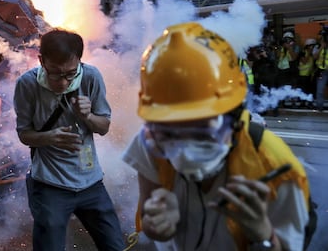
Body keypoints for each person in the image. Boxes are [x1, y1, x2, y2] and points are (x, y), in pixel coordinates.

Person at [122, 22, 311, 251]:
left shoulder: (276, 165)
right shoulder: (149, 143)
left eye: (202, 127)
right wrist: (158, 228)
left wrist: (262, 234)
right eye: (170, 128)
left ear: (234, 113)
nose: (185, 148)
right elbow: (149, 220)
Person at [13, 29, 125, 251]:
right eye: (55, 73)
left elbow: (104, 127)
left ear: (79, 63)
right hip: (49, 185)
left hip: (91, 182)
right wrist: (49, 138)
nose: (63, 82)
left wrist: (88, 116)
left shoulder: (91, 77)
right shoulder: (27, 84)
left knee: (114, 245)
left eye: (70, 74)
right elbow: (24, 134)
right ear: (41, 60)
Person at [313, 27, 328, 111]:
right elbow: (315, 57)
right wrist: (322, 47)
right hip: (322, 71)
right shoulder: (318, 46)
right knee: (320, 90)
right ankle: (319, 107)